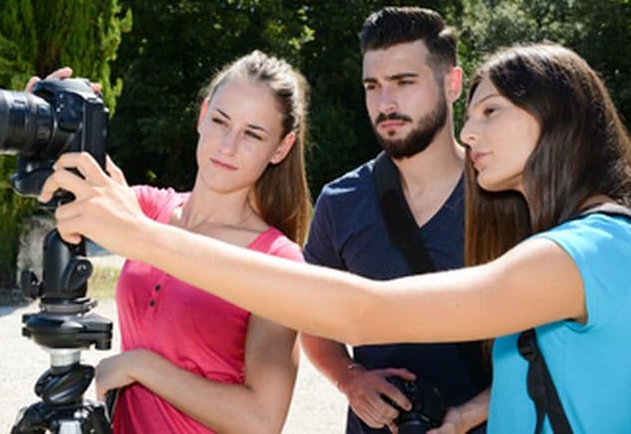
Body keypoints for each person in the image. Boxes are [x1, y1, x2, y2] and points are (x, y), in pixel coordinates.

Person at [39, 43, 631, 433]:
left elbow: (363, 312)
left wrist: (145, 244)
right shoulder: (576, 247)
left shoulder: (586, 253)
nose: (468, 133)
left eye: (490, 112)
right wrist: (61, 125)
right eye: (469, 112)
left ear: (558, 118)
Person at [34, 50, 312, 433]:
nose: (227, 145)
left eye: (253, 134)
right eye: (220, 121)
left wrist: (141, 365)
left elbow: (262, 421)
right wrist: (46, 124)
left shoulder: (276, 258)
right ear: (202, 116)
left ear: (281, 148)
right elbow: (79, 178)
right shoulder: (150, 210)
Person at [299, 7, 490, 434]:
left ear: (452, 83)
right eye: (373, 86)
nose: (386, 103)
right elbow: (311, 320)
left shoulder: (507, 195)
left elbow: (557, 343)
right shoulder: (340, 202)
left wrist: (468, 415)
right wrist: (349, 379)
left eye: (405, 82)